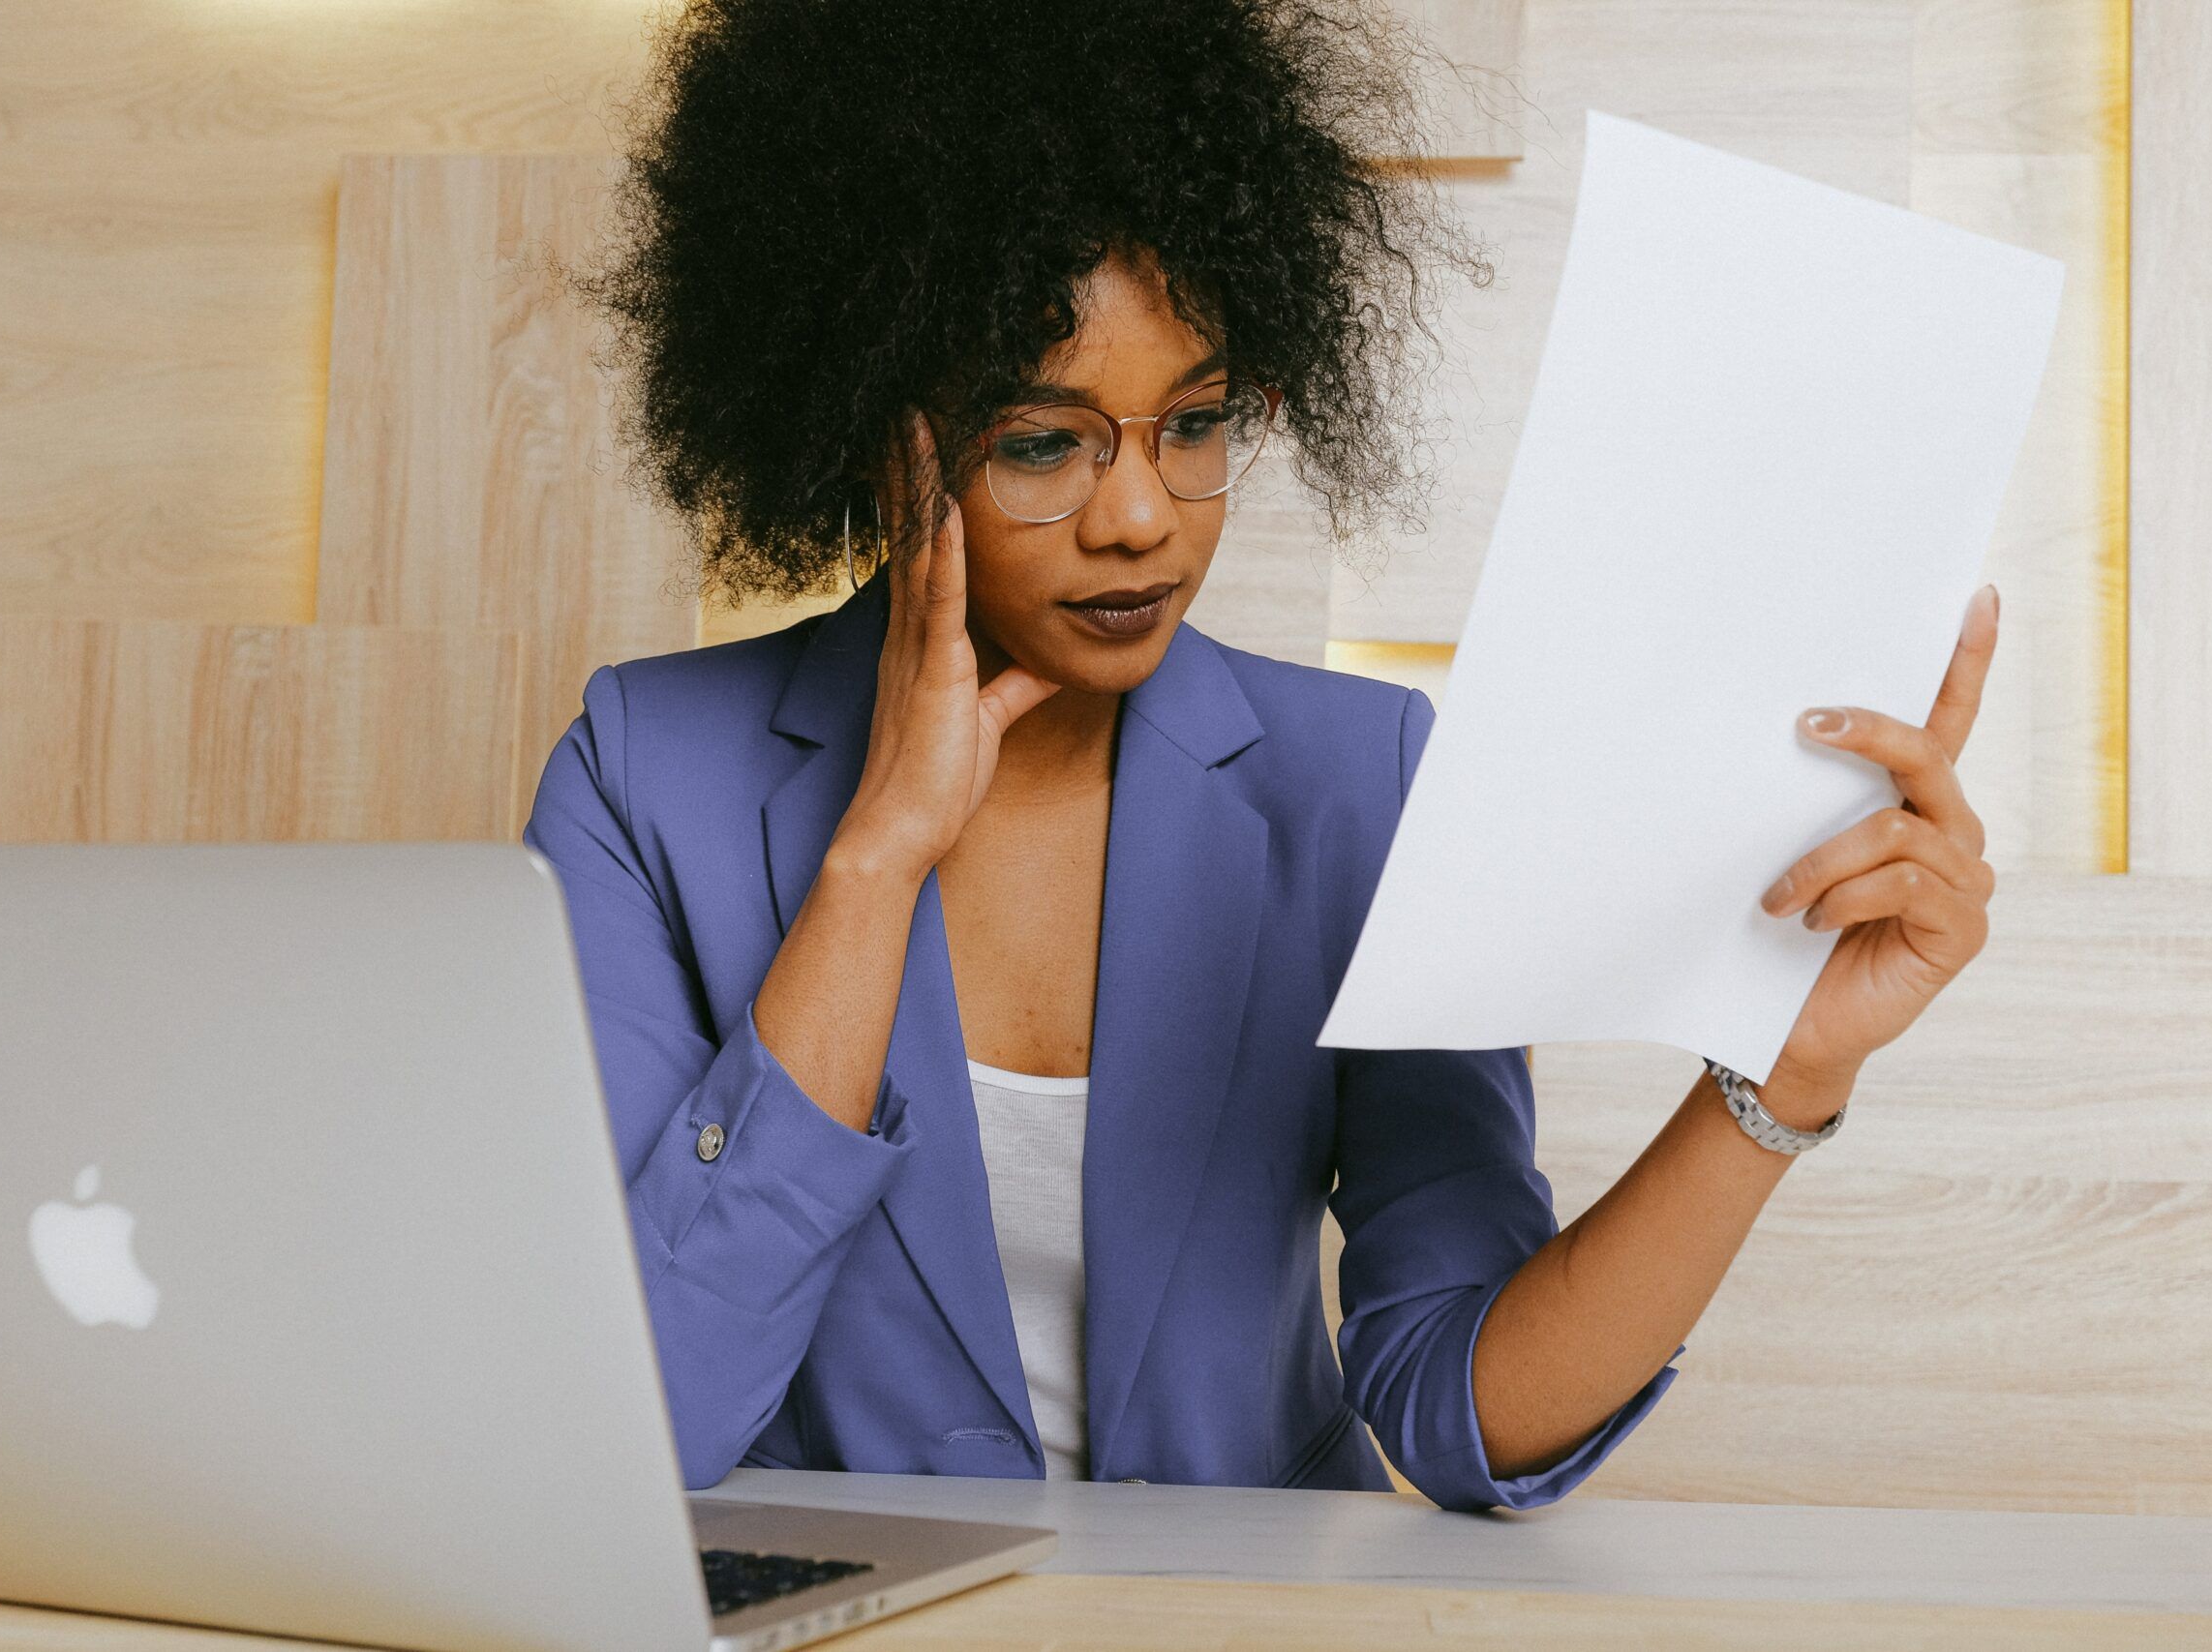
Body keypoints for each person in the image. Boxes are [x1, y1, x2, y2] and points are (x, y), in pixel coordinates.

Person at [524, 0, 1999, 1514]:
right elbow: (646, 1420)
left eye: (1198, 422)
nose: (1141, 516)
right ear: (867, 430)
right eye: (1044, 442)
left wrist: (1786, 1066)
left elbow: (1460, 1413)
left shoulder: (1359, 782)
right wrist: (876, 856)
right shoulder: (646, 782)